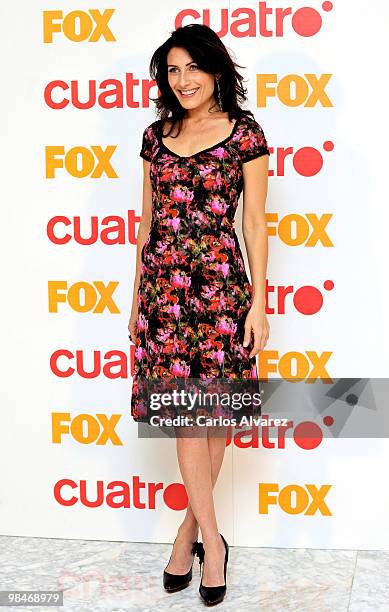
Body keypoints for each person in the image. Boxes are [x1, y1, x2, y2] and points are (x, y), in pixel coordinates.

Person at [128, 23, 270, 606]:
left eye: (193, 68)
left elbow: (255, 223)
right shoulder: (155, 136)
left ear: (216, 72)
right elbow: (146, 223)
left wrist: (260, 301)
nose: (182, 80)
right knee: (188, 416)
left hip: (220, 291)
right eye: (172, 70)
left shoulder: (245, 135)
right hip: (164, 291)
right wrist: (137, 297)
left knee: (216, 417)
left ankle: (187, 533)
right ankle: (213, 540)